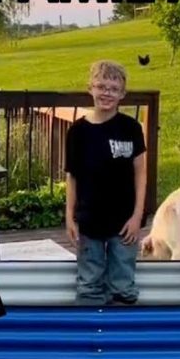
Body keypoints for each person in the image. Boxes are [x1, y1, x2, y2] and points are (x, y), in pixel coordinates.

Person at [64, 60, 147, 306]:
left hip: (124, 224)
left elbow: (141, 174)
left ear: (122, 94)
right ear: (90, 88)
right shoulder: (77, 132)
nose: (106, 93)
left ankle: (122, 337)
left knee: (123, 285)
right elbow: (72, 176)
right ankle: (90, 335)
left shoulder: (131, 128)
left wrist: (138, 216)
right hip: (89, 221)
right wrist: (70, 217)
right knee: (89, 285)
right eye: (101, 86)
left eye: (113, 88)